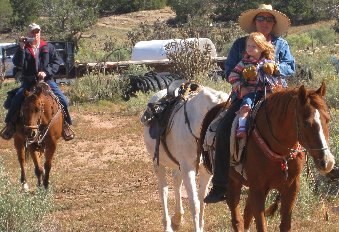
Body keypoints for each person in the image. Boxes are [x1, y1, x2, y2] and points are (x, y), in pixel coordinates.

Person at [204, 4, 295, 203]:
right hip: (245, 94)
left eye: (269, 19)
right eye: (261, 19)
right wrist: (240, 88)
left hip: (275, 95)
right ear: (254, 22)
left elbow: (291, 66)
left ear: (273, 23)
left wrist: (276, 68)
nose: (265, 22)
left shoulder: (281, 44)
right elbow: (230, 71)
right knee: (223, 129)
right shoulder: (240, 44)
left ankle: (316, 168)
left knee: (304, 122)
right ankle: (220, 185)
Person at [0, 23, 74, 141]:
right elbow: (18, 63)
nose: (35, 34)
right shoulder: (23, 48)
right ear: (28, 34)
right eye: (32, 32)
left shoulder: (48, 47)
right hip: (29, 81)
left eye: (37, 32)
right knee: (17, 99)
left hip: (47, 81)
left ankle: (66, 125)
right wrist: (21, 47)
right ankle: (10, 125)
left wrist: (46, 72)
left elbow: (56, 62)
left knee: (63, 100)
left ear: (40, 32)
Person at [228, 31, 280, 138]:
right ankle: (242, 127)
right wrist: (240, 86)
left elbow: (277, 75)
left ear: (262, 48)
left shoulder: (269, 61)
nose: (250, 48)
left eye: (253, 46)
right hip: (251, 91)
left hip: (269, 90)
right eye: (248, 46)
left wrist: (274, 69)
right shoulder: (244, 62)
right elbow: (232, 75)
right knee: (246, 105)